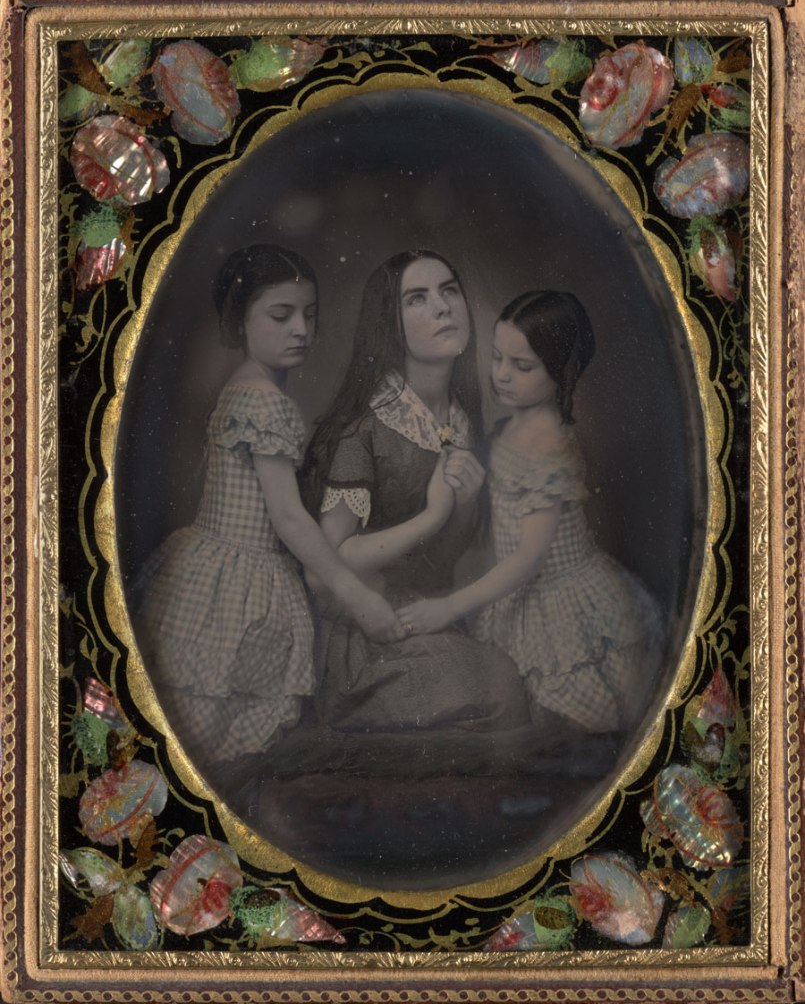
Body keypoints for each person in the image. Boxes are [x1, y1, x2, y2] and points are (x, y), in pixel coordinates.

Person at [135, 244, 402, 781]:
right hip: (241, 582)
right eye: (281, 316)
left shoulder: (242, 388)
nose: (300, 329)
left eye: (309, 314)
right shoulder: (265, 401)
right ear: (241, 320)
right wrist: (356, 595)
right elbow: (287, 517)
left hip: (208, 566)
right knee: (215, 741)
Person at [399, 290, 662, 734]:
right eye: (498, 357)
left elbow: (527, 558)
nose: (501, 375)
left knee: (563, 723)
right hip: (517, 595)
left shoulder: (549, 447)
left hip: (562, 603)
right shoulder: (508, 426)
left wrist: (448, 607)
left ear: (561, 372)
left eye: (522, 367)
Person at [302, 249, 531, 737]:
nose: (444, 307)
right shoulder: (364, 427)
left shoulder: (461, 420)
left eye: (449, 291)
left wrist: (466, 507)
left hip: (426, 618)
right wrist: (431, 516)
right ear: (391, 323)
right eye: (418, 299)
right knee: (489, 697)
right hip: (365, 636)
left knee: (513, 687)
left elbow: (443, 562)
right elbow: (325, 569)